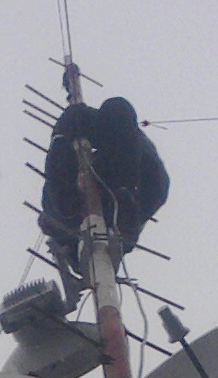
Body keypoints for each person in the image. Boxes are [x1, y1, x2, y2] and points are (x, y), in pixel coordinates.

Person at [39, 95, 170, 263]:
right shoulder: (61, 199)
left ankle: (103, 219)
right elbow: (70, 124)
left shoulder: (132, 149)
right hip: (73, 219)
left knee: (118, 109)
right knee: (64, 203)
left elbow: (157, 187)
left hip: (118, 211)